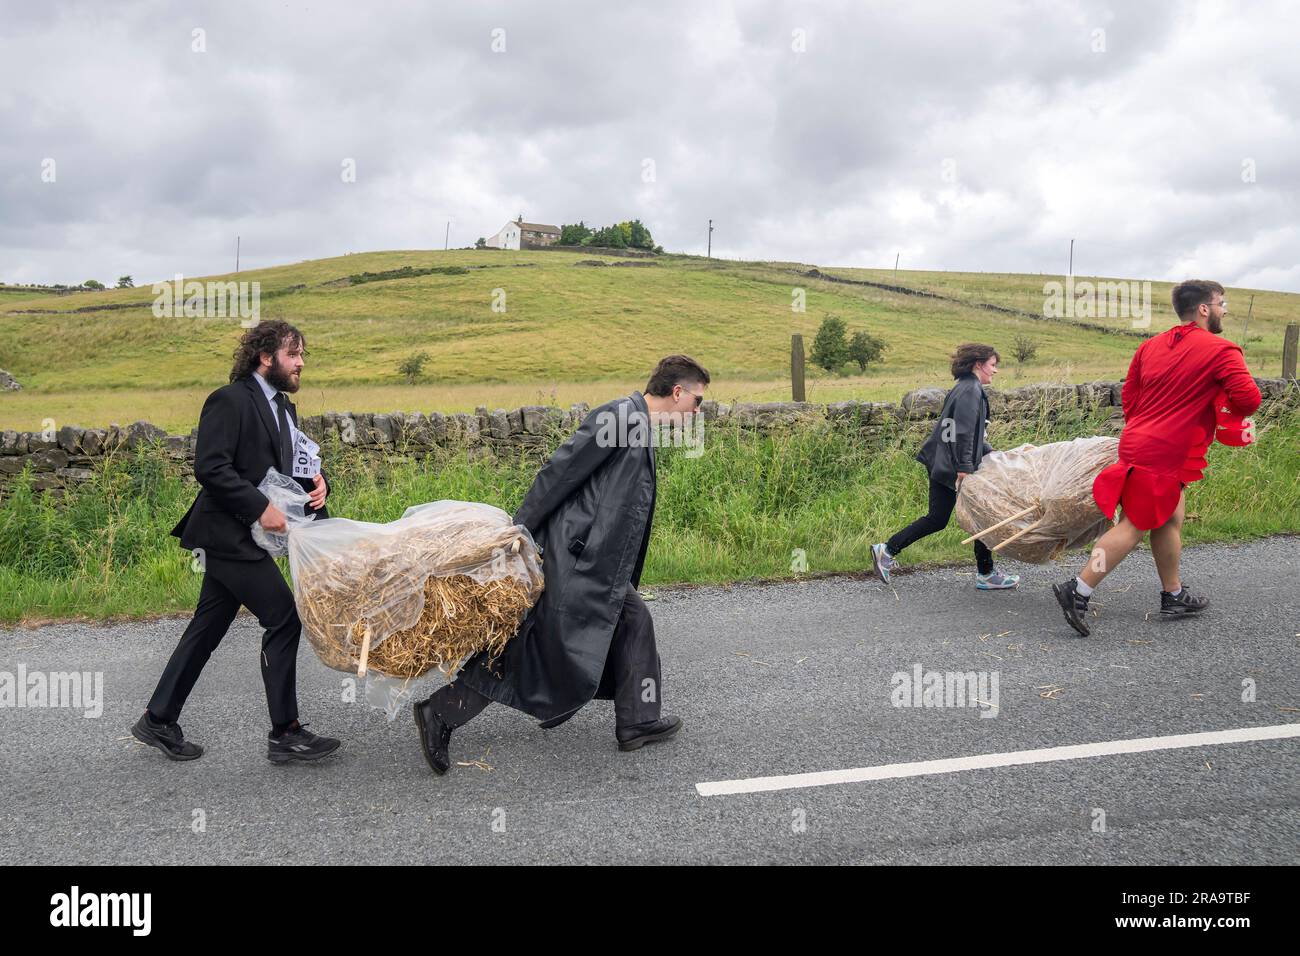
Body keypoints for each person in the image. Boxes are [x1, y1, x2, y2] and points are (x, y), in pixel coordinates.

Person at [412, 355, 711, 774]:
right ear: (677, 392)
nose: (697, 412)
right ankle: (441, 712)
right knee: (529, 647)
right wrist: (520, 531)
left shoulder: (636, 423)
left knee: (633, 620)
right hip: (575, 558)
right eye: (696, 401)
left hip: (597, 561)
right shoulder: (620, 417)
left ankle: (638, 721)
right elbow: (560, 473)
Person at [132, 321, 341, 763]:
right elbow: (211, 467)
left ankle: (158, 718)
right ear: (266, 357)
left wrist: (318, 484)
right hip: (226, 535)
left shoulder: (284, 407)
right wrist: (259, 508)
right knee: (284, 618)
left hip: (247, 538)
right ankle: (286, 733)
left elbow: (286, 468)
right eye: (294, 354)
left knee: (207, 627)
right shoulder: (229, 400)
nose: (302, 363)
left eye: (303, 354)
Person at [1053, 280, 1261, 636]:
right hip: (1166, 451)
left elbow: (1130, 397)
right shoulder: (1222, 350)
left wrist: (1147, 428)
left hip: (1139, 442)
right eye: (1222, 303)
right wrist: (1224, 407)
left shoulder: (1148, 347)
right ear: (1204, 309)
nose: (1225, 309)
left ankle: (1173, 593)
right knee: (1135, 524)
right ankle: (1079, 589)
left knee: (1169, 517)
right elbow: (1249, 399)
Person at [873, 343, 1020, 590]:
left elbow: (966, 430)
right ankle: (985, 574)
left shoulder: (966, 388)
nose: (995, 371)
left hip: (945, 462)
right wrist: (963, 469)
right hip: (952, 466)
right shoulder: (970, 391)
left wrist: (987, 450)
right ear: (978, 364)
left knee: (944, 518)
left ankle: (887, 551)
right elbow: (961, 433)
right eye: (993, 365)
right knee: (976, 515)